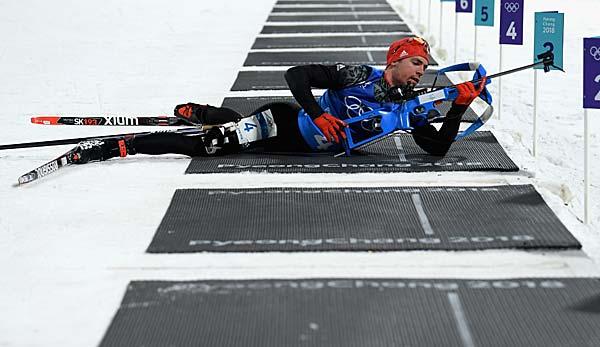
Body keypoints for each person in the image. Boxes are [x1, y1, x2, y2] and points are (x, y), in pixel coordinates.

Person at [71, 36, 487, 164]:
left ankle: (202, 113)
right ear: (396, 59)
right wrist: (319, 112)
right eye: (416, 61)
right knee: (209, 146)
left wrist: (457, 109)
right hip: (287, 123)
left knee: (235, 131)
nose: (421, 69)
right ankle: (120, 146)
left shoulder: (406, 105)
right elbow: (296, 75)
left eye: (425, 65)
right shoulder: (360, 74)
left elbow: (434, 148)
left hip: (291, 147)